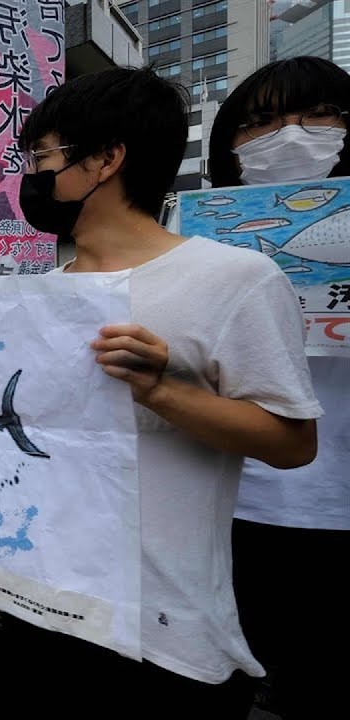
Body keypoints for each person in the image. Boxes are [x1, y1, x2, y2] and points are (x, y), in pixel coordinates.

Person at [3, 66, 320, 717]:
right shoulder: (42, 293)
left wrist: (164, 390)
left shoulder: (233, 279)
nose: (31, 177)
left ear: (104, 161)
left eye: (43, 158)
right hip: (41, 604)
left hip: (162, 637)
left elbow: (293, 442)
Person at [203, 56, 350, 720]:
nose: (290, 136)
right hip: (234, 507)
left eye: (318, 115)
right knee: (229, 673)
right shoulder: (207, 247)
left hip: (337, 510)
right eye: (260, 123)